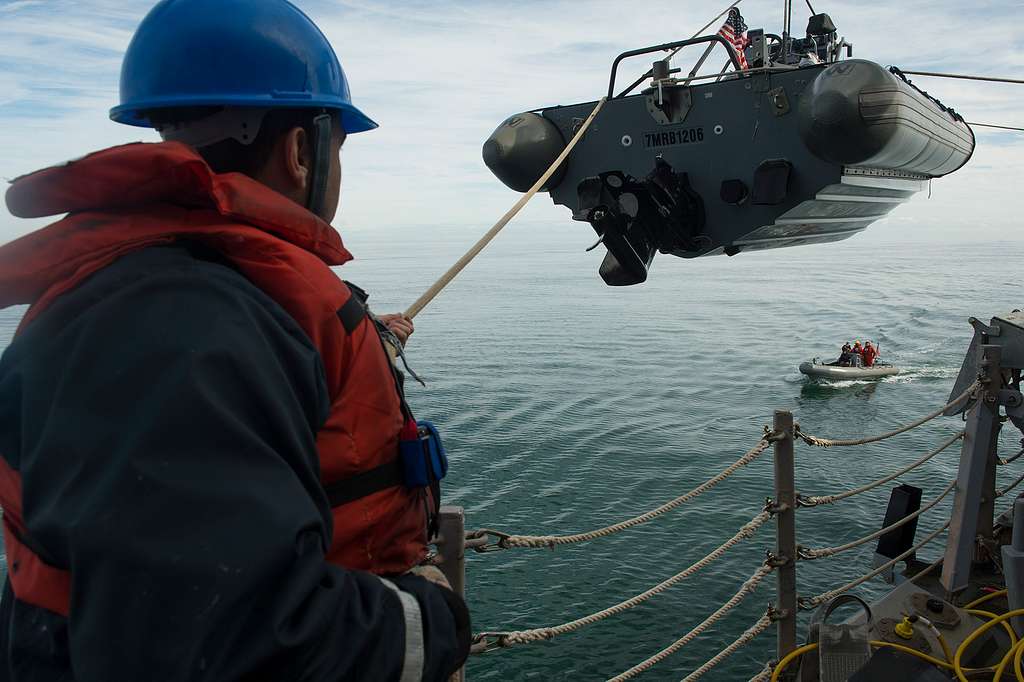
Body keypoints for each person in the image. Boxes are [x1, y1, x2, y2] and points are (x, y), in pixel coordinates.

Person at [0, 1, 468, 679]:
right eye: (338, 146)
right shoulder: (176, 321)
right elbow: (228, 643)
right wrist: (432, 619)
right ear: (303, 150)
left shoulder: (193, 296)